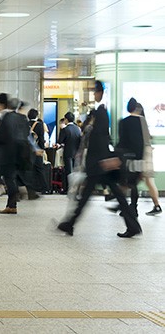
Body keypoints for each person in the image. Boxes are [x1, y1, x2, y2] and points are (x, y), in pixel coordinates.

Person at [57, 81, 142, 238]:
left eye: (94, 92)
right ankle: (133, 225)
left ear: (99, 93)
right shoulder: (97, 112)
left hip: (99, 163)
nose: (93, 95)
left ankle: (69, 223)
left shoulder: (102, 112)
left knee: (91, 195)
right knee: (113, 195)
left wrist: (105, 159)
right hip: (99, 162)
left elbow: (102, 137)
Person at [0, 93, 30, 215]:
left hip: (7, 154)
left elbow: (2, 137)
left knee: (8, 178)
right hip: (19, 153)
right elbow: (26, 134)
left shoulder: (5, 117)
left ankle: (15, 197)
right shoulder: (21, 117)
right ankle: (12, 204)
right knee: (10, 177)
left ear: (1, 104)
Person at [134, 103, 162, 216]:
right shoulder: (142, 121)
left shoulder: (140, 121)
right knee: (143, 179)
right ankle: (156, 205)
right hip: (146, 152)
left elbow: (144, 139)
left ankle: (157, 205)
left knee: (146, 180)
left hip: (144, 154)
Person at [57, 112, 82, 194]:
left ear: (66, 119)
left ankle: (67, 189)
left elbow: (60, 141)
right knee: (75, 172)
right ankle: (75, 189)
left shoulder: (65, 129)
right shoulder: (77, 129)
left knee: (68, 171)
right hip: (76, 153)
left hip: (68, 153)